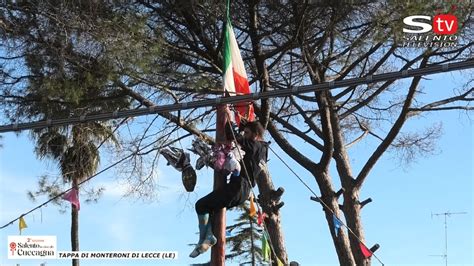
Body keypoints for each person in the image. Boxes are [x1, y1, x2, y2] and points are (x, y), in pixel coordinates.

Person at [189, 108, 268, 258]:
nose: (245, 136)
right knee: (211, 207)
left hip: (238, 187)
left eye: (247, 133)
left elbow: (231, 134)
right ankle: (207, 237)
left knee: (201, 205)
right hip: (242, 190)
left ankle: (206, 238)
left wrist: (228, 115)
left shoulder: (254, 145)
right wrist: (243, 124)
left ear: (256, 136)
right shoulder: (261, 150)